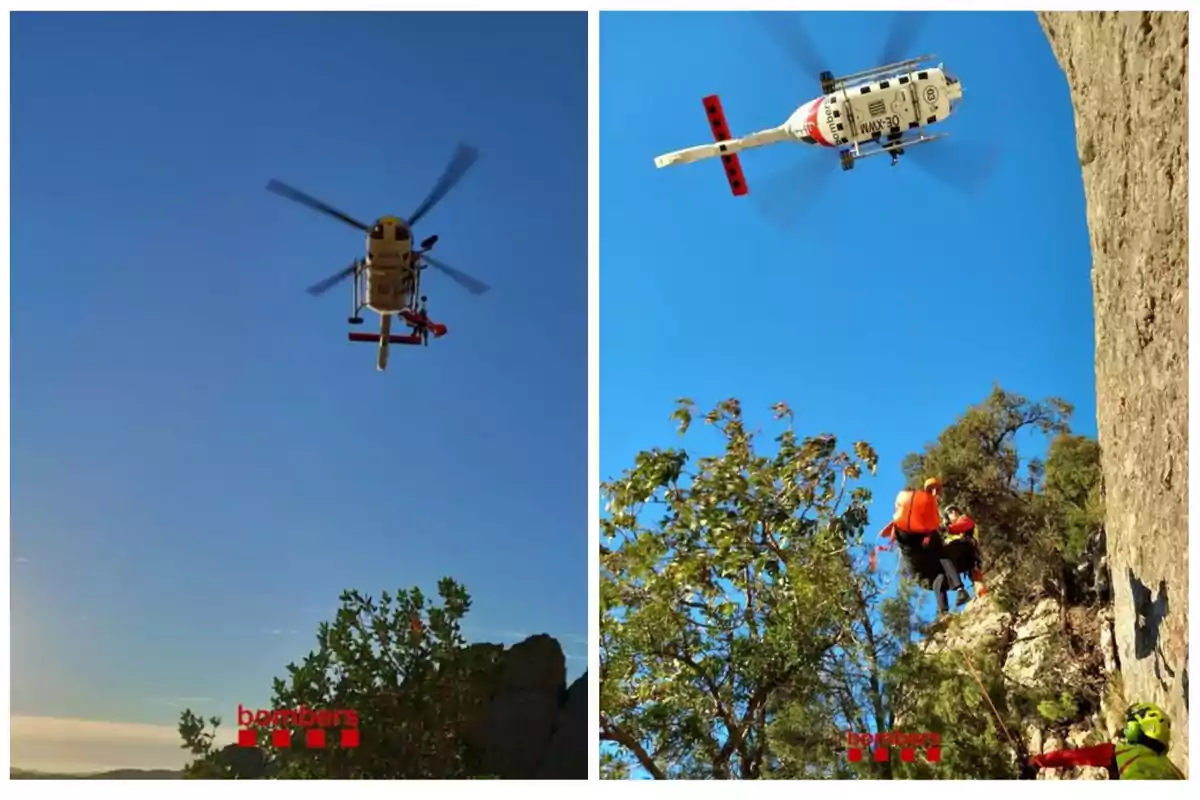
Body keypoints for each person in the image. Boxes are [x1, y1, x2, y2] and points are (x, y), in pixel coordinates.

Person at [873, 478, 962, 615]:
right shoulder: (912, 519)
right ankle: (957, 591)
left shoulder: (923, 514)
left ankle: (944, 611)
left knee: (938, 578)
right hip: (920, 553)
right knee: (940, 565)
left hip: (924, 558)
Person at [1029, 702, 1184, 779]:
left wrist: (1039, 761)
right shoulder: (1173, 771)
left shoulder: (1120, 752)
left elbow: (1071, 756)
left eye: (1130, 724)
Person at [942, 505, 988, 605]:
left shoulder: (964, 519)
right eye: (949, 512)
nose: (953, 512)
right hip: (962, 555)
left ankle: (984, 597)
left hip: (971, 549)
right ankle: (978, 597)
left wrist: (946, 528)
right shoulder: (951, 533)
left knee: (976, 574)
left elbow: (963, 526)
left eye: (954, 510)